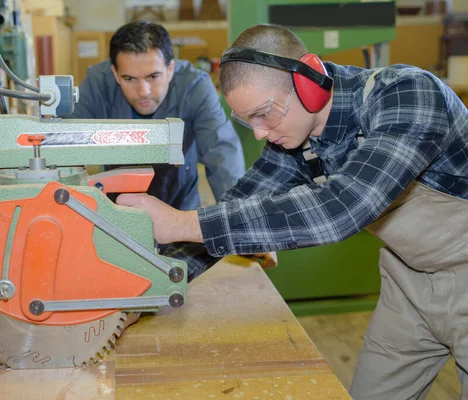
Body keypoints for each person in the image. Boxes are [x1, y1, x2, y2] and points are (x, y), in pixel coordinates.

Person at [116, 23, 468, 399]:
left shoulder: (407, 95)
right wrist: (146, 290)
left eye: (265, 113)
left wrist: (181, 222)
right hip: (409, 283)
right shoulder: (295, 141)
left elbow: (340, 209)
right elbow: (235, 210)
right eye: (246, 119)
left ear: (310, 79)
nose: (259, 133)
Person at [70, 20, 245, 211]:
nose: (143, 91)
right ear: (115, 74)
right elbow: (67, 150)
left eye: (153, 77)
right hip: (117, 211)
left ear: (170, 69)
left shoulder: (194, 87)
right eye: (129, 79)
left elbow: (222, 156)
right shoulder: (97, 84)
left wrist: (236, 219)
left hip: (179, 204)